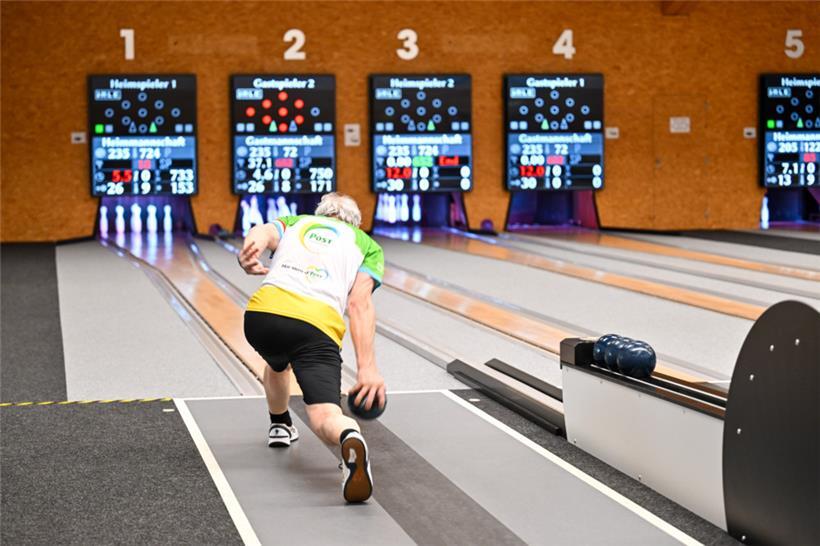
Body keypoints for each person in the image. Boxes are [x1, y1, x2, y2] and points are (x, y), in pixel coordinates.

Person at [238, 192, 386, 503]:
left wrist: (249, 251)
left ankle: (279, 425)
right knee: (323, 415)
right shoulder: (367, 245)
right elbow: (359, 303)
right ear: (357, 223)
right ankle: (349, 436)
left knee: (278, 361)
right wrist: (367, 368)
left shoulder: (298, 222)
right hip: (314, 326)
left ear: (321, 213)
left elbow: (262, 231)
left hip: (262, 317)